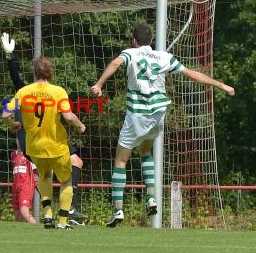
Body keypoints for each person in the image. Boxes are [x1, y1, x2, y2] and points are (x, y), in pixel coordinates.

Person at [90, 23, 235, 228]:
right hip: (158, 113)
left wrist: (99, 84)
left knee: (121, 160)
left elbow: (115, 63)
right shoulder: (164, 56)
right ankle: (151, 197)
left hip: (138, 114)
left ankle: (118, 209)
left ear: (134, 40)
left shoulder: (130, 53)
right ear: (152, 41)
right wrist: (220, 84)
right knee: (145, 151)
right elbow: (192, 74)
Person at [1, 32, 88, 226]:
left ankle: (48, 212)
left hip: (33, 144)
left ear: (34, 74)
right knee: (66, 175)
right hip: (53, 140)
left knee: (49, 174)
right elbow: (68, 116)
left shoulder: (24, 92)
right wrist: (80, 124)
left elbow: (6, 112)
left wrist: (9, 56)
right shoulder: (56, 91)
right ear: (51, 73)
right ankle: (67, 211)